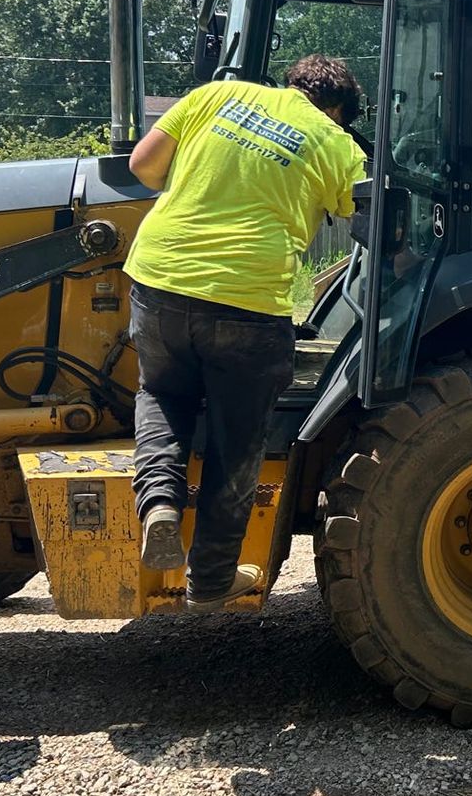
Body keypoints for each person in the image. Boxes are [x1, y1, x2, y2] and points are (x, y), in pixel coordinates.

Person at [124, 55, 365, 612]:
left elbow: (144, 165)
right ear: (336, 110)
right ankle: (208, 582)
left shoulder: (215, 97)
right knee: (239, 440)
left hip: (161, 276)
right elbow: (373, 218)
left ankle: (159, 504)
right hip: (248, 300)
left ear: (292, 84)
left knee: (162, 393)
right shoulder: (334, 141)